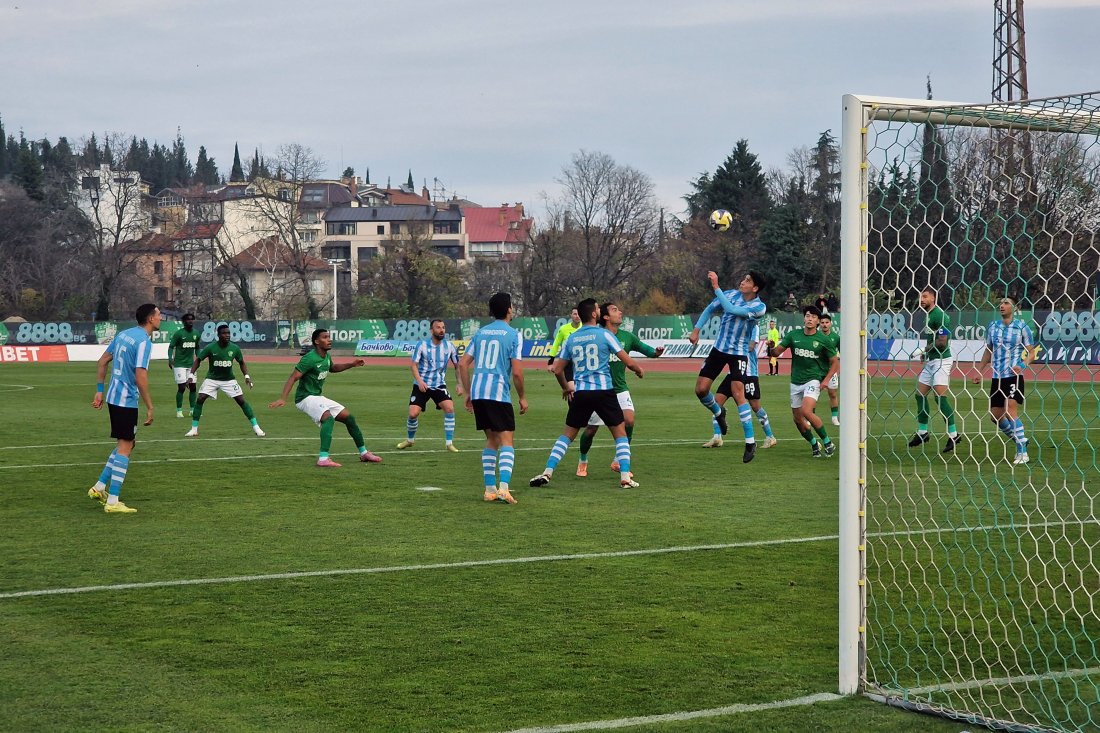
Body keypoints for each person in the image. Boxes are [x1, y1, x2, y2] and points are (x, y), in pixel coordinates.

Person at [531, 299, 644, 489]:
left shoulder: (572, 338)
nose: (599, 310)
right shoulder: (605, 334)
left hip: (582, 393)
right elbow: (628, 361)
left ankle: (547, 472)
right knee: (620, 434)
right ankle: (625, 477)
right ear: (593, 314)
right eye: (598, 308)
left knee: (567, 436)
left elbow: (557, 369)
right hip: (604, 392)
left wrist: (566, 387)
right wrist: (638, 370)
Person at [269, 328, 382, 467]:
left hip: (317, 396)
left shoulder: (326, 356)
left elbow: (332, 368)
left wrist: (352, 364)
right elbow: (293, 377)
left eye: (329, 337)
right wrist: (282, 398)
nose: (329, 339)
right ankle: (323, 458)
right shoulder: (309, 358)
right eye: (325, 337)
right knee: (328, 419)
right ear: (317, 341)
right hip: (305, 398)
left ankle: (364, 453)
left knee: (349, 418)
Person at [575, 301, 664, 477]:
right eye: (615, 310)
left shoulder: (627, 337)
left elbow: (646, 350)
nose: (620, 312)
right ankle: (583, 459)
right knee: (591, 429)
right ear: (605, 316)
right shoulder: (597, 336)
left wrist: (656, 352)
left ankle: (618, 461)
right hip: (599, 390)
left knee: (629, 421)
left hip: (620, 389)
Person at [88, 303, 161, 514]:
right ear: (150, 319)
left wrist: (99, 391)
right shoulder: (144, 342)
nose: (161, 318)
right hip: (126, 399)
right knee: (125, 447)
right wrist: (149, 406)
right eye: (158, 315)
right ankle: (113, 501)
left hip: (113, 396)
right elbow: (140, 375)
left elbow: (102, 361)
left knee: (128, 443)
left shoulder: (124, 334)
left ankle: (99, 487)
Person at [688, 269, 768, 463]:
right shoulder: (731, 294)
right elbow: (710, 309)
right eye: (744, 279)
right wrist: (696, 330)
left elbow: (731, 310)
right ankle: (719, 412)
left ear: (755, 288)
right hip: (719, 349)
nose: (743, 282)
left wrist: (716, 287)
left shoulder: (759, 307)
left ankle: (750, 443)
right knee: (700, 390)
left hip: (739, 353)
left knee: (738, 393)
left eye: (748, 281)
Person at [457, 292, 527, 504]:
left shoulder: (481, 333)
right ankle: (504, 489)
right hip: (497, 393)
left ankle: (489, 490)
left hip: (479, 392)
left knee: (492, 439)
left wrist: (468, 392)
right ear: (509, 309)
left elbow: (463, 364)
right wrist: (522, 397)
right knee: (506, 440)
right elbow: (517, 373)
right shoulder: (514, 335)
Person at [971, 296, 1037, 465]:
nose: (1002, 305)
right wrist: (979, 370)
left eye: (1006, 303)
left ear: (1015, 308)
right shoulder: (993, 326)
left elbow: (1032, 352)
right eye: (1001, 303)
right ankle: (1020, 440)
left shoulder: (1022, 327)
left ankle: (1022, 452)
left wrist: (1022, 365)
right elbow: (988, 350)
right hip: (997, 378)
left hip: (1013, 376)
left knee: (1010, 410)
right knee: (995, 417)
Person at [768, 305, 839, 458]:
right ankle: (814, 444)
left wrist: (826, 381)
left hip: (813, 380)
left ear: (818, 321)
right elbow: (776, 353)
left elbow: (835, 362)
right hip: (795, 381)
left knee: (807, 411)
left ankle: (827, 442)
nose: (810, 319)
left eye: (813, 317)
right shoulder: (793, 335)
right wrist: (771, 347)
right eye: (807, 316)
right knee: (798, 419)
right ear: (804, 318)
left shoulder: (823, 340)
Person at [703, 322, 777, 450]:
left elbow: (751, 346)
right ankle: (717, 437)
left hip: (749, 373)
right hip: (733, 373)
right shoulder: (736, 326)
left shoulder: (754, 327)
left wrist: (733, 346)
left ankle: (770, 437)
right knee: (716, 402)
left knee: (755, 406)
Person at [184, 323, 265, 438]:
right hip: (212, 379)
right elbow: (198, 360)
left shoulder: (235, 348)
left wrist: (247, 376)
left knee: (241, 401)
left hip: (229, 380)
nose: (227, 335)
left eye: (228, 333)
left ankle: (257, 428)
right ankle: (194, 429)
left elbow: (241, 362)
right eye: (224, 333)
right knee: (200, 398)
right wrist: (191, 375)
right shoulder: (210, 347)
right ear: (218, 335)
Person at [396, 319, 463, 452]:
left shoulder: (449, 346)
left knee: (449, 408)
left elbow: (458, 366)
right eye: (438, 327)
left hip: (439, 385)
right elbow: (413, 365)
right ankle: (410, 440)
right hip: (421, 385)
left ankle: (449, 443)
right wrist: (420, 381)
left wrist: (459, 383)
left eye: (443, 327)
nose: (441, 330)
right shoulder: (422, 345)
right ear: (432, 330)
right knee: (413, 414)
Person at [908, 286, 961, 452]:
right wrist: (926, 354)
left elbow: (942, 342)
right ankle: (923, 432)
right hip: (931, 361)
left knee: (940, 398)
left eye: (925, 296)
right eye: (920, 297)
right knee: (920, 395)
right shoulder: (929, 315)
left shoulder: (939, 315)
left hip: (941, 361)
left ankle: (954, 435)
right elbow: (933, 338)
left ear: (933, 298)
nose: (921, 300)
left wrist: (923, 350)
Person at [167, 313, 199, 418]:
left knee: (193, 387)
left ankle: (192, 410)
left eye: (192, 319)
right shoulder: (179, 334)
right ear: (184, 322)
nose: (190, 321)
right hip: (179, 364)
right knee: (182, 387)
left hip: (191, 365)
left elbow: (197, 347)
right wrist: (170, 358)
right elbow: (171, 346)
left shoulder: (196, 334)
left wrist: (198, 358)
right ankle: (179, 411)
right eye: (188, 319)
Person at [548, 307, 581, 388]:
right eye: (575, 314)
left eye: (579, 314)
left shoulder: (584, 328)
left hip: (581, 361)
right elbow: (556, 344)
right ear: (571, 315)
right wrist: (550, 362)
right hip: (568, 360)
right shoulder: (563, 329)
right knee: (571, 385)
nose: (577, 316)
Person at [819, 313, 841, 426]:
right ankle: (809, 417)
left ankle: (834, 418)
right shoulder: (816, 336)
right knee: (813, 394)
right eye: (822, 322)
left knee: (832, 394)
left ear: (830, 324)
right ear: (819, 324)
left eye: (827, 322)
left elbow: (842, 353)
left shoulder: (836, 338)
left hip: (831, 370)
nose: (824, 324)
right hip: (817, 370)